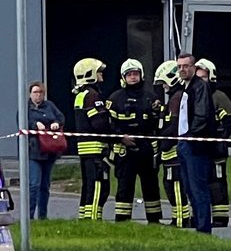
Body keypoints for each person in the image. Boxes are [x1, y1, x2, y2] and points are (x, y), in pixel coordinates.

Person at [105, 59, 162, 223]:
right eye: (129, 74)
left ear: (141, 75)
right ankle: (122, 221)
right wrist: (120, 137)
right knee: (125, 186)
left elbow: (158, 123)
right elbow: (109, 124)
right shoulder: (115, 99)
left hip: (146, 148)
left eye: (135, 74)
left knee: (151, 185)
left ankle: (154, 220)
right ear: (123, 77)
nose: (133, 77)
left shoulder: (151, 97)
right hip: (124, 149)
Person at [171, 52, 217, 233]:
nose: (182, 69)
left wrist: (191, 136)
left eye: (186, 66)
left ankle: (203, 229)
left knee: (198, 189)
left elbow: (201, 115)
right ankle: (198, 224)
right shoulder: (186, 88)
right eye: (179, 66)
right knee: (189, 188)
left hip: (195, 145)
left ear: (194, 68)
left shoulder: (199, 87)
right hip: (184, 142)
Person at [70, 58, 112, 220]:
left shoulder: (81, 95)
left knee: (88, 186)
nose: (101, 74)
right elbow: (99, 124)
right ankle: (93, 218)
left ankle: (85, 218)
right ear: (90, 74)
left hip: (85, 150)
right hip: (96, 149)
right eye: (99, 72)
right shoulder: (93, 96)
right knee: (98, 185)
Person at [198, 59, 231, 227]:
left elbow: (229, 120)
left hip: (216, 149)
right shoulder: (194, 96)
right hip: (199, 150)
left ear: (211, 78)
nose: (201, 81)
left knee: (217, 183)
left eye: (204, 77)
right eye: (198, 77)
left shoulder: (219, 97)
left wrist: (218, 137)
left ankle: (220, 217)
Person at [153, 60, 189, 227]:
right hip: (170, 152)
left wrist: (162, 142)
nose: (163, 88)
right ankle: (178, 218)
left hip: (174, 153)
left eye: (164, 84)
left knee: (175, 186)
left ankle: (181, 221)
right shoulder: (174, 98)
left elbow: (173, 128)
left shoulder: (177, 98)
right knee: (171, 185)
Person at [25, 80, 66, 220]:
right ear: (30, 94)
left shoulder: (50, 106)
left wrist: (56, 123)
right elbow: (22, 123)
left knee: (45, 186)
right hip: (34, 151)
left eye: (41, 92)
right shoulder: (26, 108)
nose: (38, 96)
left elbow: (61, 118)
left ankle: (43, 216)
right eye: (35, 92)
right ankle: (29, 217)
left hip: (49, 150)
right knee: (34, 184)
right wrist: (35, 124)